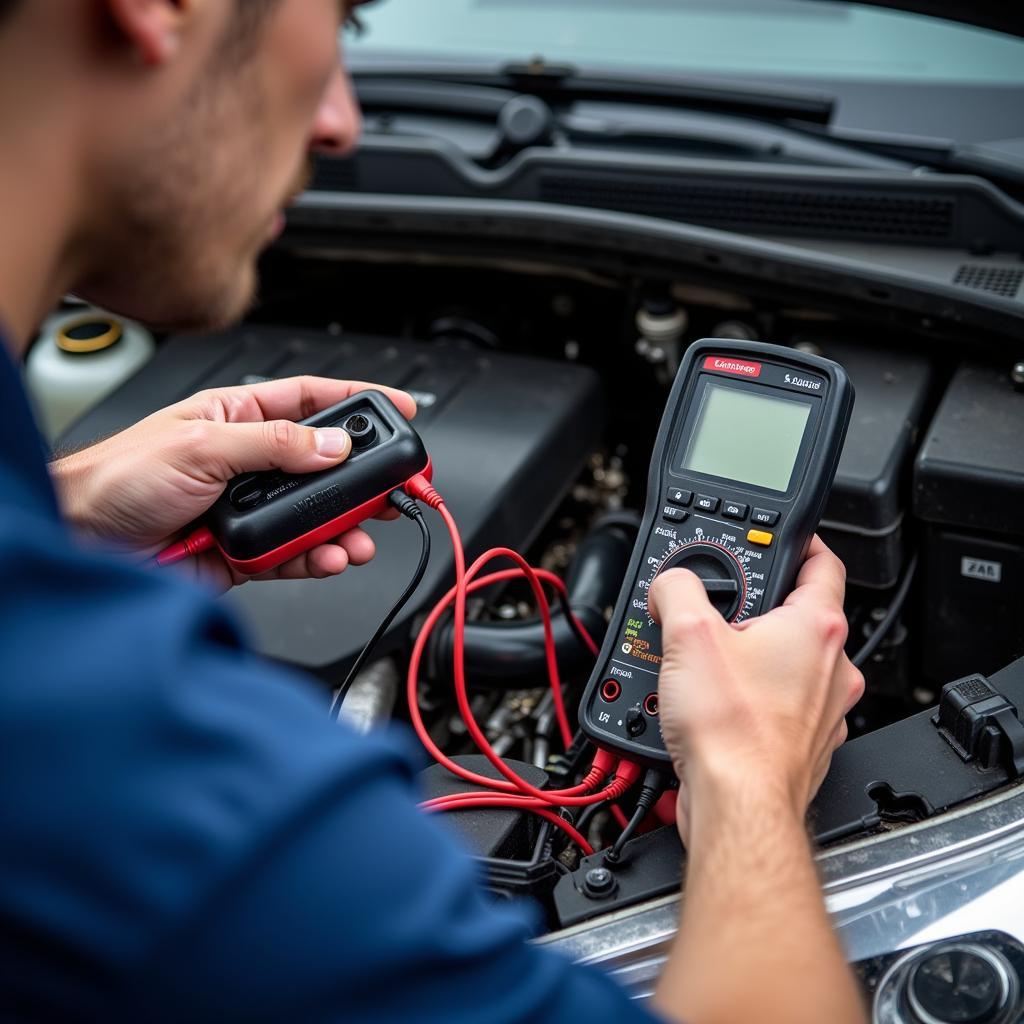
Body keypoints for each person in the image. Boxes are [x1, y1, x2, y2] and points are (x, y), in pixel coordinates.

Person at [0, 1, 867, 1021]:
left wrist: (59, 515)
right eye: (344, 22)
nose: (341, 121)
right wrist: (750, 778)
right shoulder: (168, 799)